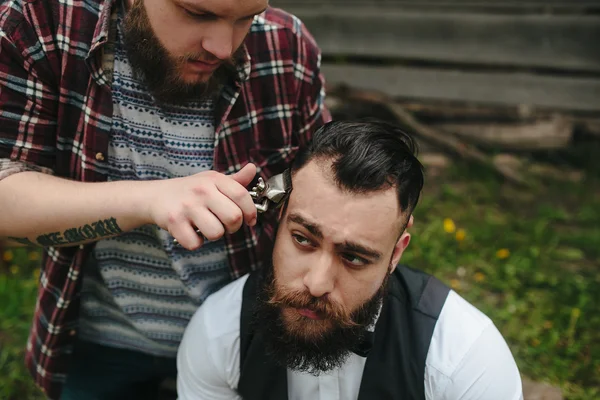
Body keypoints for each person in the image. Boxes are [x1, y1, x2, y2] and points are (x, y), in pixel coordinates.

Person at [0, 0, 330, 398]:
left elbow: (323, 177)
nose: (224, 47)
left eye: (246, 18)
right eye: (198, 14)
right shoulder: (42, 22)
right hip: (98, 338)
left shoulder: (287, 45)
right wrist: (149, 200)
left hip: (243, 339)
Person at [176, 120, 524, 400]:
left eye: (354, 257)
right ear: (279, 221)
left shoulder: (464, 359)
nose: (317, 282)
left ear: (396, 253)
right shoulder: (219, 333)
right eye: (302, 239)